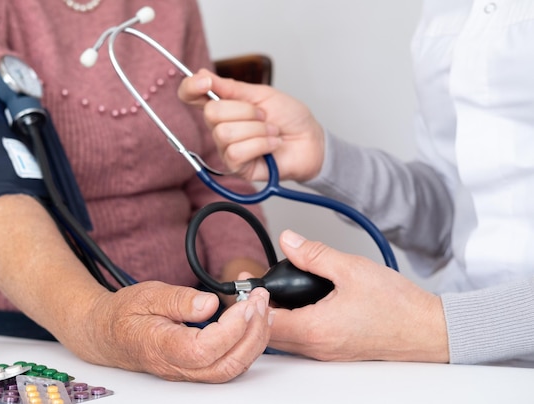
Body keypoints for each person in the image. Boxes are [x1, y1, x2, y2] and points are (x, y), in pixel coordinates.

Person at [0, 0, 274, 383]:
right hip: (2, 328)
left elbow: (213, 172)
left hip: (191, 306)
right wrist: (99, 324)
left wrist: (247, 292)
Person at [178, 0, 534, 365]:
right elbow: (452, 221)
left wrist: (432, 328)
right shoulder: (448, 11)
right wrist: (326, 159)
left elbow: (435, 327)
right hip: (460, 369)